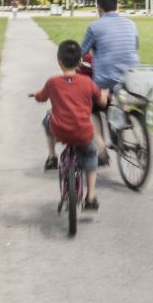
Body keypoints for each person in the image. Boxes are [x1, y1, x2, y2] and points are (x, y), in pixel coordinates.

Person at [34, 38, 105, 211]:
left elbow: (41, 97)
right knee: (90, 155)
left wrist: (36, 95)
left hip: (60, 131)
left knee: (47, 119)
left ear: (59, 62)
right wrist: (103, 94)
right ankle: (90, 197)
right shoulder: (87, 83)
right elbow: (101, 102)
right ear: (80, 61)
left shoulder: (52, 82)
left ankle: (52, 156)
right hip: (83, 133)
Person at [78, 0, 140, 163]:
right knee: (115, 100)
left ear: (99, 8)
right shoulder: (131, 24)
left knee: (91, 108)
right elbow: (135, 46)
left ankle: (102, 151)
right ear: (117, 5)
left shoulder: (94, 26)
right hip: (132, 78)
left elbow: (82, 53)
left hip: (106, 81)